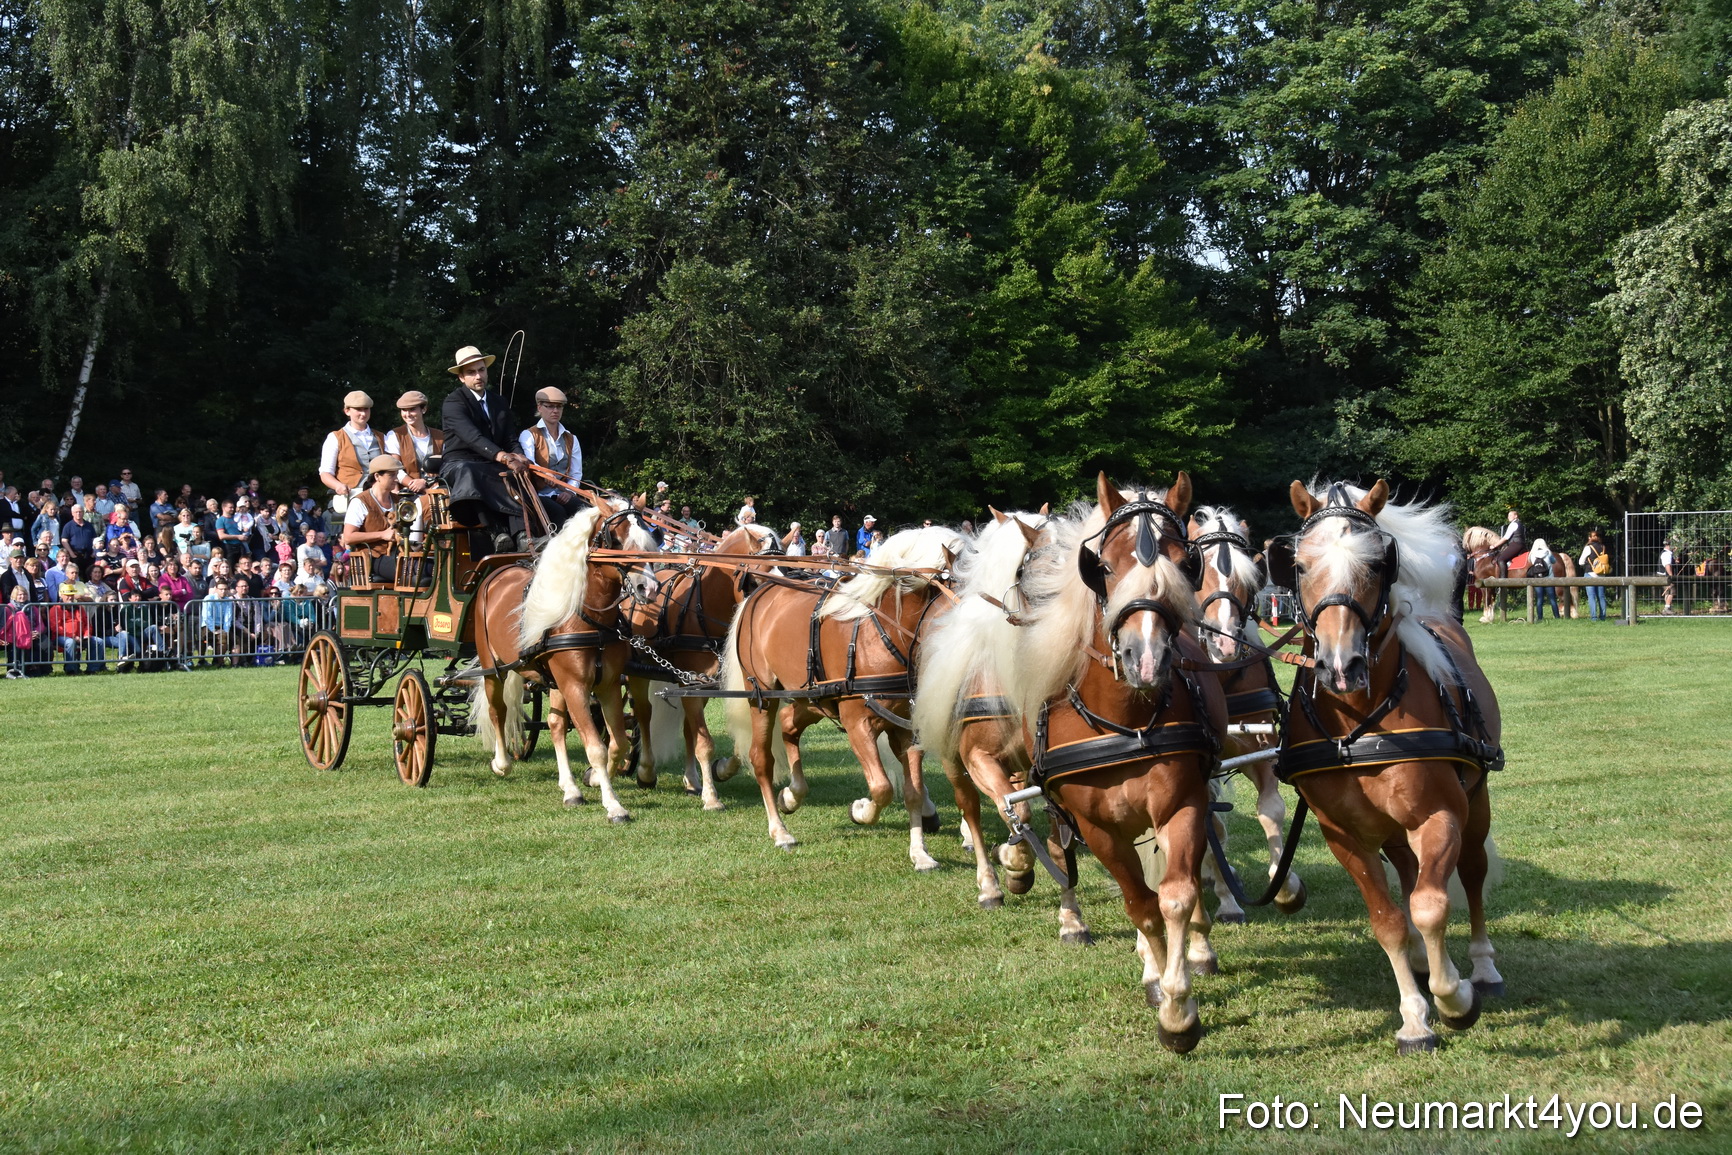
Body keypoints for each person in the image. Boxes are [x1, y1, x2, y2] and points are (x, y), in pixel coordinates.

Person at [440, 344, 532, 554]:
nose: (478, 376)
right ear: (461, 378)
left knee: (514, 474)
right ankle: (496, 531)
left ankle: (523, 535)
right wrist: (503, 456)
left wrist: (520, 456)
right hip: (459, 465)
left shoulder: (499, 402)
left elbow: (510, 438)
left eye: (481, 370)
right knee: (471, 470)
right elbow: (473, 438)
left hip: (491, 464)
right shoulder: (453, 403)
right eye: (471, 372)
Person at [342, 455, 420, 583]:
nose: (396, 479)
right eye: (392, 475)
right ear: (377, 476)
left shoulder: (400, 501)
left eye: (396, 475)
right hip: (373, 558)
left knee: (430, 568)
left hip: (400, 553)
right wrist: (382, 535)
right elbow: (348, 537)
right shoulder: (359, 502)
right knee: (414, 572)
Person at [518, 387, 584, 530]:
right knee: (557, 512)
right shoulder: (528, 435)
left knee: (583, 510)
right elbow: (529, 462)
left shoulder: (572, 438)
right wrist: (544, 473)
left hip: (562, 493)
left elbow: (576, 473)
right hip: (538, 494)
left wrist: (569, 492)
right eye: (550, 406)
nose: (555, 411)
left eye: (559, 407)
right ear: (539, 407)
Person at [319, 390, 385, 509]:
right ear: (347, 411)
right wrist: (338, 486)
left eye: (366, 409)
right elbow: (325, 472)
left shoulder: (381, 437)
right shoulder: (335, 438)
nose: (363, 414)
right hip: (350, 497)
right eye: (358, 409)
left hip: (379, 496)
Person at [384, 390, 445, 494]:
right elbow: (395, 469)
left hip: (437, 493)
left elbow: (447, 466)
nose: (408, 414)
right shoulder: (394, 435)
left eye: (412, 409)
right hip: (407, 495)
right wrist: (414, 484)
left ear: (424, 409)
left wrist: (425, 483)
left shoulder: (440, 436)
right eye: (404, 410)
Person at [198, 579, 236, 666]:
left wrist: (225, 630)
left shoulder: (228, 600)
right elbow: (207, 616)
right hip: (207, 626)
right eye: (221, 589)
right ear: (216, 589)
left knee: (225, 637)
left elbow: (228, 617)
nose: (223, 591)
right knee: (219, 638)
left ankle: (218, 662)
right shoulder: (208, 598)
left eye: (225, 589)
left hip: (222, 626)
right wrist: (214, 630)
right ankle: (219, 662)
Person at [1578, 529, 1611, 622]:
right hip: (1602, 574)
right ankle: (1603, 617)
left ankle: (1594, 618)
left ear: (1590, 538)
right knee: (1601, 596)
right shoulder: (1603, 547)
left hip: (1590, 573)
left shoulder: (1588, 547)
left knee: (1591, 596)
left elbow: (1580, 562)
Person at [1528, 538, 1559, 620]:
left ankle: (1540, 618)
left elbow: (1531, 563)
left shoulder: (1532, 554)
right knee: (1552, 599)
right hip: (1549, 579)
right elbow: (1554, 561)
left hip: (1538, 580)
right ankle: (1557, 617)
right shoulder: (1548, 553)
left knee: (1539, 600)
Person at [1491, 508, 1526, 577]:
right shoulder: (1521, 524)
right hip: (1521, 544)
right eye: (1508, 516)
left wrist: (1494, 545)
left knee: (1501, 559)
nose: (1508, 517)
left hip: (1515, 544)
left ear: (1516, 516)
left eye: (1510, 515)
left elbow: (1506, 538)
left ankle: (1503, 580)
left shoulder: (1513, 524)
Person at [1660, 538, 1678, 615]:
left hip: (1664, 575)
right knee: (1672, 592)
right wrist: (1671, 575)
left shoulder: (1667, 553)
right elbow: (1667, 565)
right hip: (1666, 576)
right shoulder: (1666, 554)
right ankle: (1667, 608)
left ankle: (1668, 607)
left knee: (1667, 592)